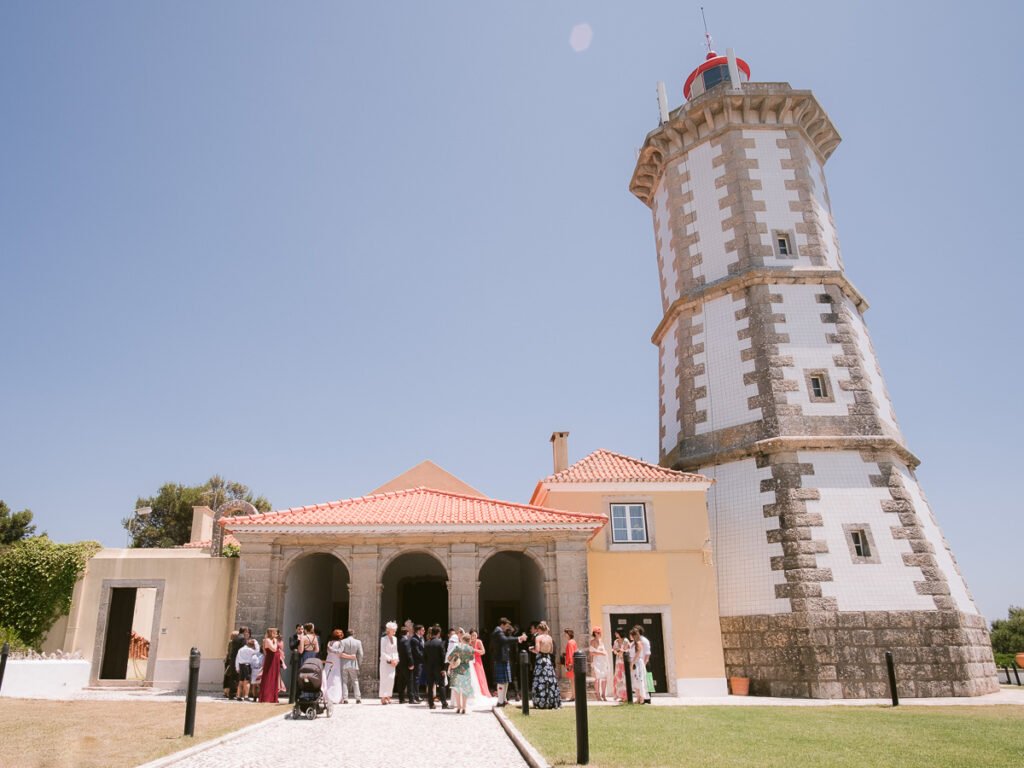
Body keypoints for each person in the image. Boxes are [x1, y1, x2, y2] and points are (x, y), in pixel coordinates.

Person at [490, 618, 526, 707]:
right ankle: (500, 701)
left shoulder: (500, 632)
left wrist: (518, 639)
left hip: (504, 658)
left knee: (505, 681)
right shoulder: (498, 631)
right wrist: (518, 638)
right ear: (502, 624)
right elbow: (505, 640)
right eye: (506, 626)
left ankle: (504, 700)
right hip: (500, 658)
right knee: (501, 681)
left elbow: (507, 639)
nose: (507, 628)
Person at [530, 621, 560, 709]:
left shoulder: (538, 637)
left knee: (540, 680)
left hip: (540, 661)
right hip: (548, 660)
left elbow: (537, 650)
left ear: (539, 629)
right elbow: (551, 650)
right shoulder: (550, 638)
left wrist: (531, 649)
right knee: (550, 680)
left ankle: (540, 702)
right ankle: (551, 701)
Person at [447, 632, 476, 714]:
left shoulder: (458, 647)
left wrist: (454, 660)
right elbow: (471, 658)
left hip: (456, 669)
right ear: (469, 640)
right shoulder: (471, 648)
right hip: (466, 669)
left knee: (457, 689)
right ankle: (464, 707)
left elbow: (449, 658)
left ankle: (458, 707)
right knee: (465, 689)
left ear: (462, 639)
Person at [423, 626, 449, 709]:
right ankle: (444, 704)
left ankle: (431, 704)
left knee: (430, 686)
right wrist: (444, 668)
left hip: (429, 668)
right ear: (438, 633)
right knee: (441, 685)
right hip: (439, 668)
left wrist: (427, 666)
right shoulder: (440, 643)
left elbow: (424, 657)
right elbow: (443, 657)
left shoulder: (426, 643)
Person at [258, 627, 285, 703]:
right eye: (274, 632)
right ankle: (267, 697)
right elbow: (273, 649)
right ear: (271, 633)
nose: (276, 634)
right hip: (270, 661)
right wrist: (275, 641)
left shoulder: (273, 640)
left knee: (274, 677)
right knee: (269, 677)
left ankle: (273, 697)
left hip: (275, 661)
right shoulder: (267, 640)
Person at [339, 627, 363, 704]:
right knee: (355, 681)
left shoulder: (342, 641)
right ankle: (358, 698)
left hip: (344, 664)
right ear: (353, 634)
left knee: (344, 681)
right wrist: (359, 663)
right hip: (353, 663)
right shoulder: (358, 642)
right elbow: (361, 654)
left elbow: (339, 653)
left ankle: (345, 698)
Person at [379, 620, 399, 704]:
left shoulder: (395, 639)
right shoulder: (383, 639)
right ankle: (383, 697)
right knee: (384, 679)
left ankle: (388, 696)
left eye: (395, 629)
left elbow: (395, 651)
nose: (395, 631)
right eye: (393, 630)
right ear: (389, 630)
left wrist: (396, 660)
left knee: (391, 679)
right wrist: (390, 660)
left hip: (393, 663)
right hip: (385, 662)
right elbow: (383, 652)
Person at [323, 628, 345, 704]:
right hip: (335, 661)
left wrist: (331, 649)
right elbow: (340, 651)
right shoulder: (340, 643)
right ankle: (335, 697)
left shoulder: (329, 643)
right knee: (334, 678)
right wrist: (333, 650)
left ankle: (327, 696)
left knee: (329, 677)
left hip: (330, 660)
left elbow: (329, 651)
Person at [588, 627, 609, 701]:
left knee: (604, 678)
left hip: (603, 661)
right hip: (597, 661)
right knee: (597, 678)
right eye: (598, 633)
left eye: (600, 632)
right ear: (595, 633)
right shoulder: (592, 642)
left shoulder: (601, 641)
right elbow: (591, 653)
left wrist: (604, 654)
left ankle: (603, 694)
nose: (600, 634)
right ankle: (598, 695)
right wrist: (601, 653)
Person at [469, 629, 491, 698]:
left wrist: (475, 650)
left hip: (477, 661)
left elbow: (483, 651)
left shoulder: (479, 641)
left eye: (475, 635)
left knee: (479, 677)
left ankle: (483, 693)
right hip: (470, 661)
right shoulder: (469, 642)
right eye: (472, 635)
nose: (474, 637)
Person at [634, 625, 652, 703]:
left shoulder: (644, 640)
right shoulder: (637, 640)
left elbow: (647, 653)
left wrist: (644, 663)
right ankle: (643, 698)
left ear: (639, 632)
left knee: (648, 679)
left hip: (645, 662)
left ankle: (648, 698)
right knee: (642, 680)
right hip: (641, 662)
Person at [396, 625, 414, 704]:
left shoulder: (399, 640)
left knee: (401, 682)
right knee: (409, 681)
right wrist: (411, 663)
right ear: (407, 633)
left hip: (400, 664)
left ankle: (401, 698)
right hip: (406, 665)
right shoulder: (406, 641)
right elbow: (408, 653)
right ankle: (411, 699)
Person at [235, 637, 257, 701]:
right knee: (247, 681)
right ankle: (246, 696)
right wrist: (256, 642)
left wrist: (237, 667)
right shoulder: (250, 650)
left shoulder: (240, 649)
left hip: (241, 665)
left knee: (240, 681)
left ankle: (238, 696)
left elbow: (237, 659)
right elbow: (257, 651)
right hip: (247, 666)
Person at [629, 628, 647, 704]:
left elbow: (638, 653)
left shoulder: (639, 643)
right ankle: (638, 697)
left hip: (637, 663)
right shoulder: (632, 644)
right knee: (635, 680)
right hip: (633, 662)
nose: (630, 636)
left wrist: (633, 662)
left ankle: (642, 698)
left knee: (639, 679)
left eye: (631, 635)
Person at [612, 629, 628, 702]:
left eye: (616, 633)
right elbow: (614, 650)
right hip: (618, 661)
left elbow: (627, 649)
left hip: (624, 660)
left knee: (624, 678)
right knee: (618, 678)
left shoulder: (626, 641)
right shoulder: (616, 641)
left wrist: (621, 651)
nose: (615, 634)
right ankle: (621, 696)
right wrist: (616, 652)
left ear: (619, 633)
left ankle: (626, 696)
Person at [410, 624, 425, 703]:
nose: (424, 631)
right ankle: (415, 696)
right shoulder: (414, 639)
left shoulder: (421, 638)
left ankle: (417, 695)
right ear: (418, 631)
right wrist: (425, 657)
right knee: (416, 679)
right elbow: (417, 652)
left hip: (420, 662)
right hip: (416, 662)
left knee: (418, 679)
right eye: (422, 630)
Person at [563, 628, 578, 701]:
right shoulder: (573, 641)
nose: (564, 635)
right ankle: (574, 695)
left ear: (568, 634)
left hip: (571, 664)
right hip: (574, 663)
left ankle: (573, 696)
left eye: (565, 633)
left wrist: (570, 664)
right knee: (573, 680)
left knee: (572, 681)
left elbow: (570, 653)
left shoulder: (570, 643)